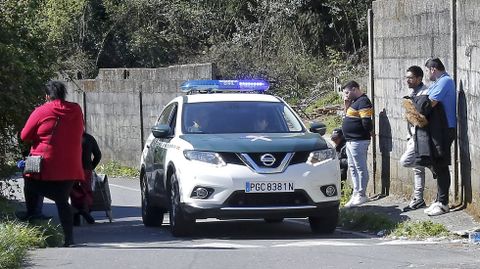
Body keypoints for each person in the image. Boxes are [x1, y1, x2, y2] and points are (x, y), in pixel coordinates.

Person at [20, 81, 84, 247]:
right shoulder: (76, 109)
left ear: (47, 96)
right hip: (71, 166)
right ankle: (69, 238)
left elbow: (24, 135)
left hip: (46, 165)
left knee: (29, 184)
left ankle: (32, 216)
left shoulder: (42, 110)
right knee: (62, 201)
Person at [422, 58, 456, 216]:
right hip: (438, 128)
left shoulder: (445, 81)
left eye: (428, 70)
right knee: (436, 163)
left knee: (441, 164)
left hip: (445, 129)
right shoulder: (438, 83)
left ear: (433, 69)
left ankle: (443, 203)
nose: (428, 74)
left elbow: (430, 103)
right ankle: (438, 200)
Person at [399, 65, 429, 212]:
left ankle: (430, 164)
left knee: (405, 162)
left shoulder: (425, 93)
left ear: (419, 78)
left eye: (410, 78)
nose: (408, 80)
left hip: (420, 136)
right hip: (411, 135)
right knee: (418, 169)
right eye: (407, 78)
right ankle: (419, 199)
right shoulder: (412, 92)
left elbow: (423, 116)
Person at [341, 80, 373, 207]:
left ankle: (362, 194)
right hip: (350, 141)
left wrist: (369, 133)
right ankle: (356, 192)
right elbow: (348, 116)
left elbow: (366, 122)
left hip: (359, 140)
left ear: (355, 89)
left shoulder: (364, 101)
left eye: (348, 92)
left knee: (360, 168)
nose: (346, 95)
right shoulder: (354, 102)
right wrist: (346, 103)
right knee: (352, 168)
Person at [70, 132, 102, 225]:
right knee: (86, 190)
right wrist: (91, 167)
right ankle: (85, 210)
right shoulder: (89, 138)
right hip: (86, 169)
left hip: (72, 169)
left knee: (73, 190)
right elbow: (98, 155)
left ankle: (76, 215)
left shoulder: (69, 136)